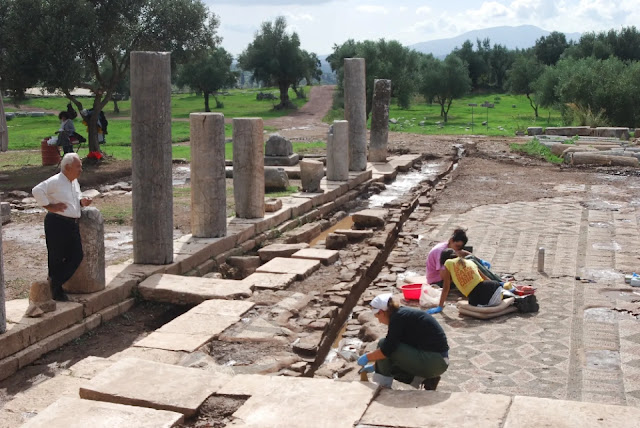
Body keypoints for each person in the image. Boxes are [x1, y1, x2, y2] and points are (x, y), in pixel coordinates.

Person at [357, 293, 449, 390]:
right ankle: (426, 380)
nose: (379, 321)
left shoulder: (398, 318)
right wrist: (376, 366)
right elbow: (395, 346)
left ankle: (382, 388)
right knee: (390, 363)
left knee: (383, 345)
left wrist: (367, 357)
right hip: (439, 361)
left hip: (434, 360)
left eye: (377, 317)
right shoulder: (402, 315)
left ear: (381, 312)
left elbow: (386, 350)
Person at [32, 153, 92, 301]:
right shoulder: (56, 180)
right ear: (67, 167)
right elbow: (37, 190)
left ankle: (53, 284)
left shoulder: (74, 182)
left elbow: (73, 200)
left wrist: (82, 202)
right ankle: (56, 290)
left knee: (76, 255)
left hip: (71, 223)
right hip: (57, 222)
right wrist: (49, 206)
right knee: (56, 258)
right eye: (78, 166)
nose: (80, 170)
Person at [427, 248, 505, 315]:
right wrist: (499, 285)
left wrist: (440, 306)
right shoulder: (470, 262)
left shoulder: (448, 263)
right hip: (493, 289)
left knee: (462, 304)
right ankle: (509, 297)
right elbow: (485, 278)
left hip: (480, 298)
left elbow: (446, 287)